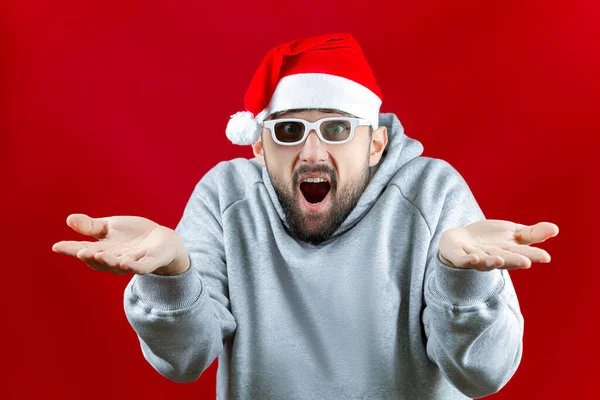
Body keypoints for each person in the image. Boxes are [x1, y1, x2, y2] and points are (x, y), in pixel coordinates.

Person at [52, 33, 559, 399]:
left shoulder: (434, 194)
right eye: (289, 132)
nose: (313, 153)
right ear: (259, 148)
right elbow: (184, 362)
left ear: (376, 143)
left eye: (337, 130)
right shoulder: (225, 197)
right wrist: (170, 276)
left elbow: (485, 376)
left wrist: (462, 284)